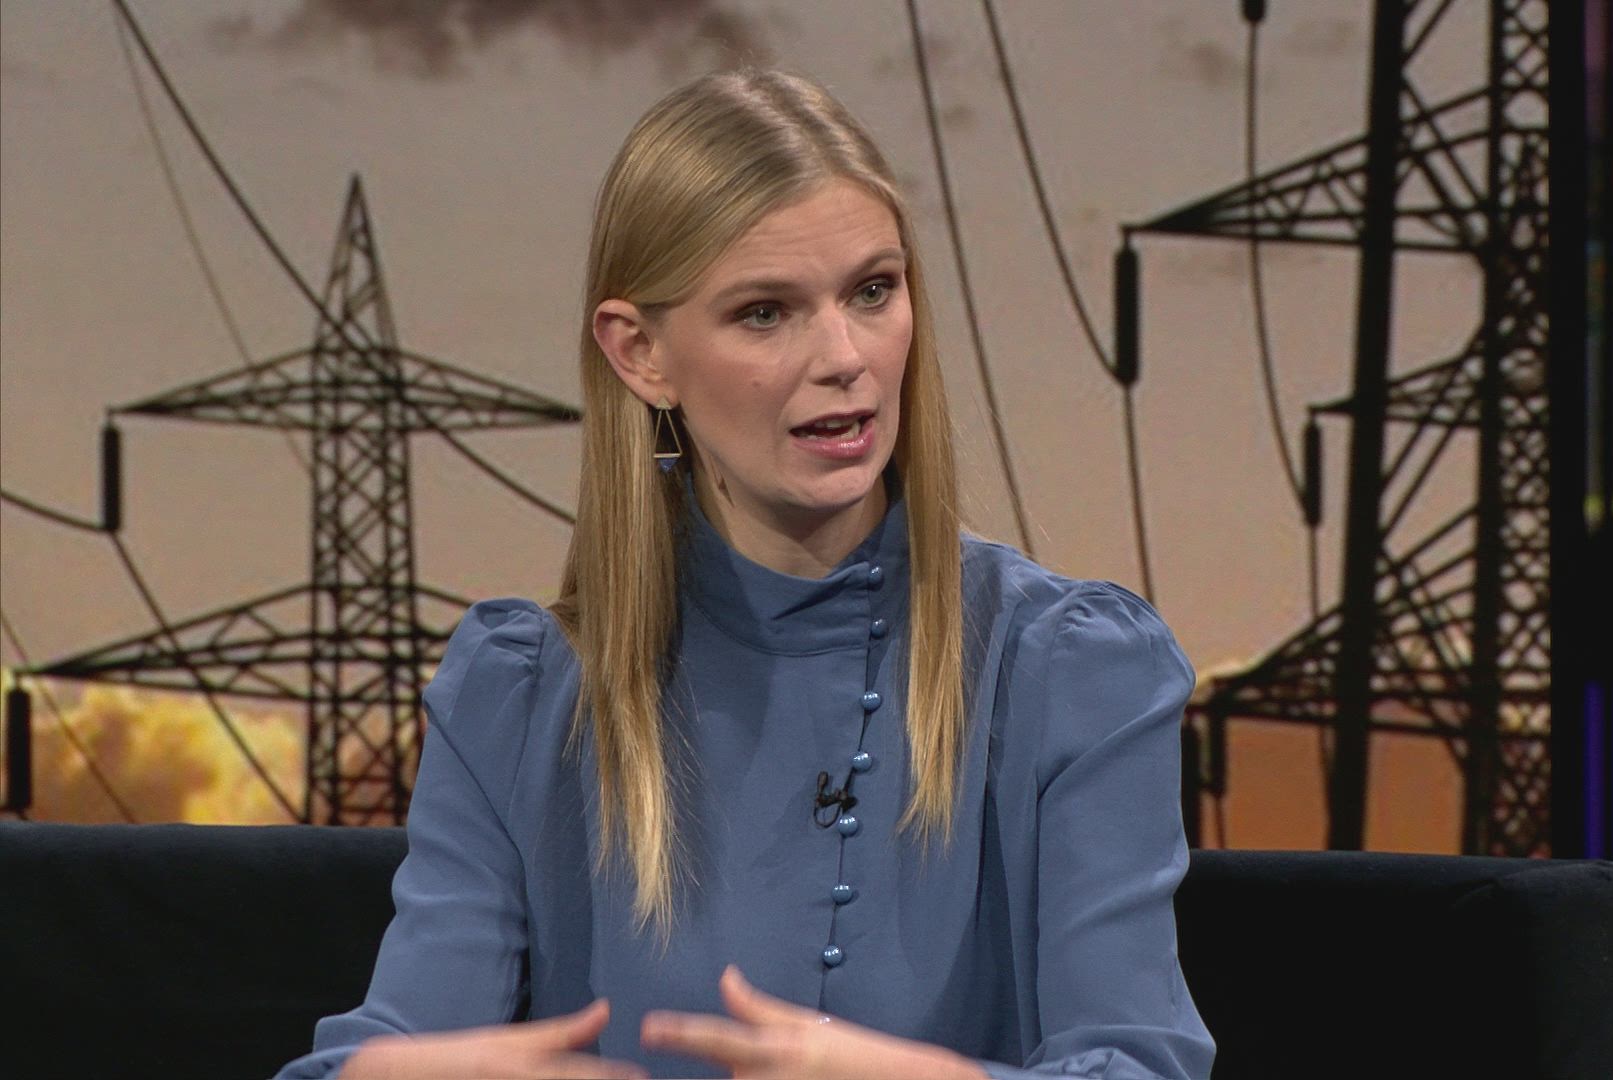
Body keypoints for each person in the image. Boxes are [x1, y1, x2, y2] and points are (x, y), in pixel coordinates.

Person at [276, 68, 1214, 1080]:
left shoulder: (1069, 672)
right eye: (766, 313)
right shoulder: (521, 697)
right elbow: (385, 1051)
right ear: (641, 353)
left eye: (873, 291)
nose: (845, 356)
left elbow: (1139, 1065)